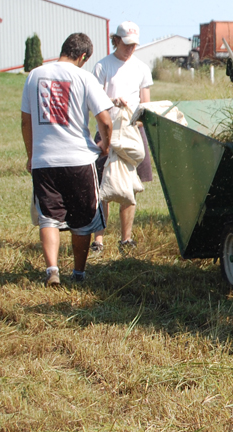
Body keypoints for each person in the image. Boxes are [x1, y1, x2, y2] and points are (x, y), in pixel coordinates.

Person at [21, 33, 113, 286]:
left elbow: (25, 121)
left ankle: (52, 270)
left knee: (48, 216)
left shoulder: (34, 75)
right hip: (78, 160)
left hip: (44, 160)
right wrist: (105, 145)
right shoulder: (84, 77)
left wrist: (32, 155)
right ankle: (79, 273)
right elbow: (104, 120)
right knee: (82, 220)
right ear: (83, 56)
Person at [91, 21, 154, 254]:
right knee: (102, 187)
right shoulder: (102, 67)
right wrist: (112, 103)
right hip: (107, 131)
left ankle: (126, 239)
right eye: (126, 44)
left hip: (132, 134)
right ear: (115, 40)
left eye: (134, 45)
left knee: (129, 188)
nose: (130, 49)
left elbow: (146, 104)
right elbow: (94, 102)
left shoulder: (141, 68)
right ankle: (98, 240)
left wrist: (137, 120)